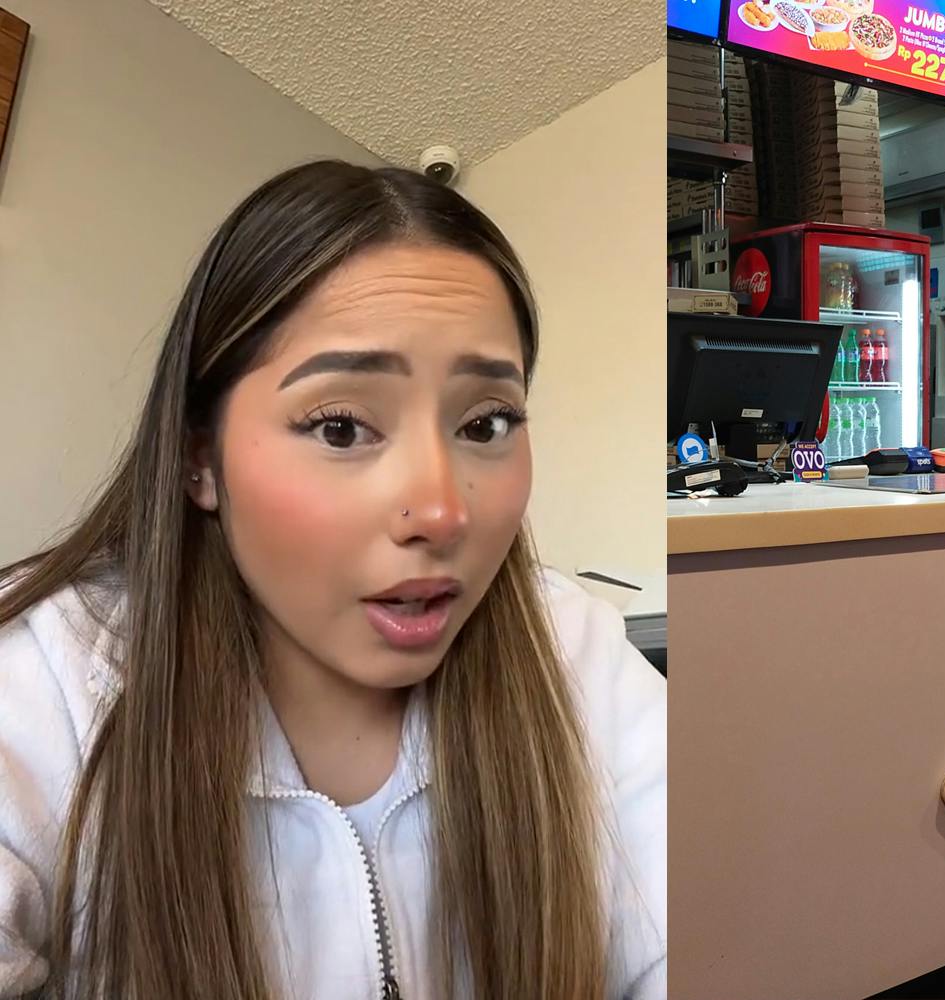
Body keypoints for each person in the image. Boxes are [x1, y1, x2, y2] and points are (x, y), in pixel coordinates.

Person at [0, 161, 665, 997]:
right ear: (200, 459)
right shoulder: (46, 683)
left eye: (485, 423)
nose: (440, 511)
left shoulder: (576, 653)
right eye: (343, 427)